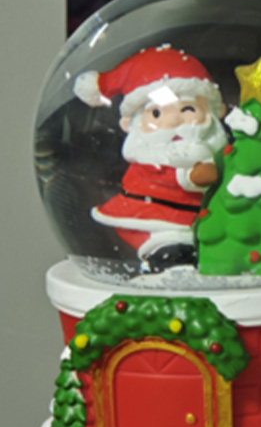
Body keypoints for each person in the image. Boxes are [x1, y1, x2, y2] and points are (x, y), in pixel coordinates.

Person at [74, 44, 227, 271]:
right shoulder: (149, 158)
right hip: (151, 213)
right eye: (157, 113)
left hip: (195, 217)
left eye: (187, 110)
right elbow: (179, 178)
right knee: (171, 240)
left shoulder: (210, 152)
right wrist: (193, 177)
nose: (174, 121)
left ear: (215, 113)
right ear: (129, 124)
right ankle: (166, 258)